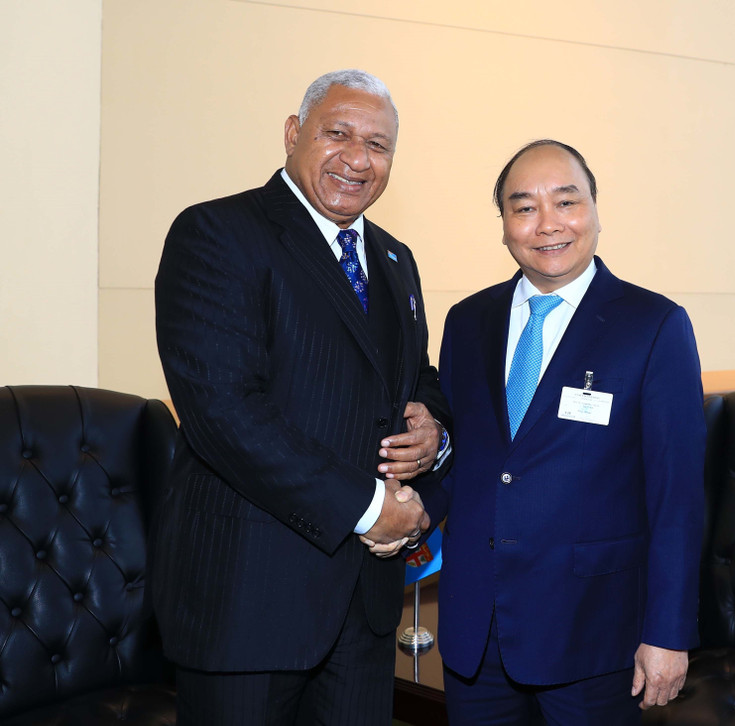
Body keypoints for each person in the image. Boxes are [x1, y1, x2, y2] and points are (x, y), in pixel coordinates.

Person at [152, 69, 451, 725]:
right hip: (249, 602)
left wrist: (435, 431)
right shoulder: (217, 234)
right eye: (337, 133)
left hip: (364, 609)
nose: (358, 159)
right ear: (294, 133)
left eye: (378, 145)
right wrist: (371, 507)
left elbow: (417, 381)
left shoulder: (395, 259)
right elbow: (224, 414)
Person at [420, 140, 706, 725]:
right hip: (478, 629)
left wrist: (668, 633)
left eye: (566, 202)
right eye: (523, 207)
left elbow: (677, 495)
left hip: (594, 634)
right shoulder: (467, 321)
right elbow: (462, 461)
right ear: (503, 225)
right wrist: (407, 510)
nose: (547, 224)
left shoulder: (653, 325)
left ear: (596, 211)